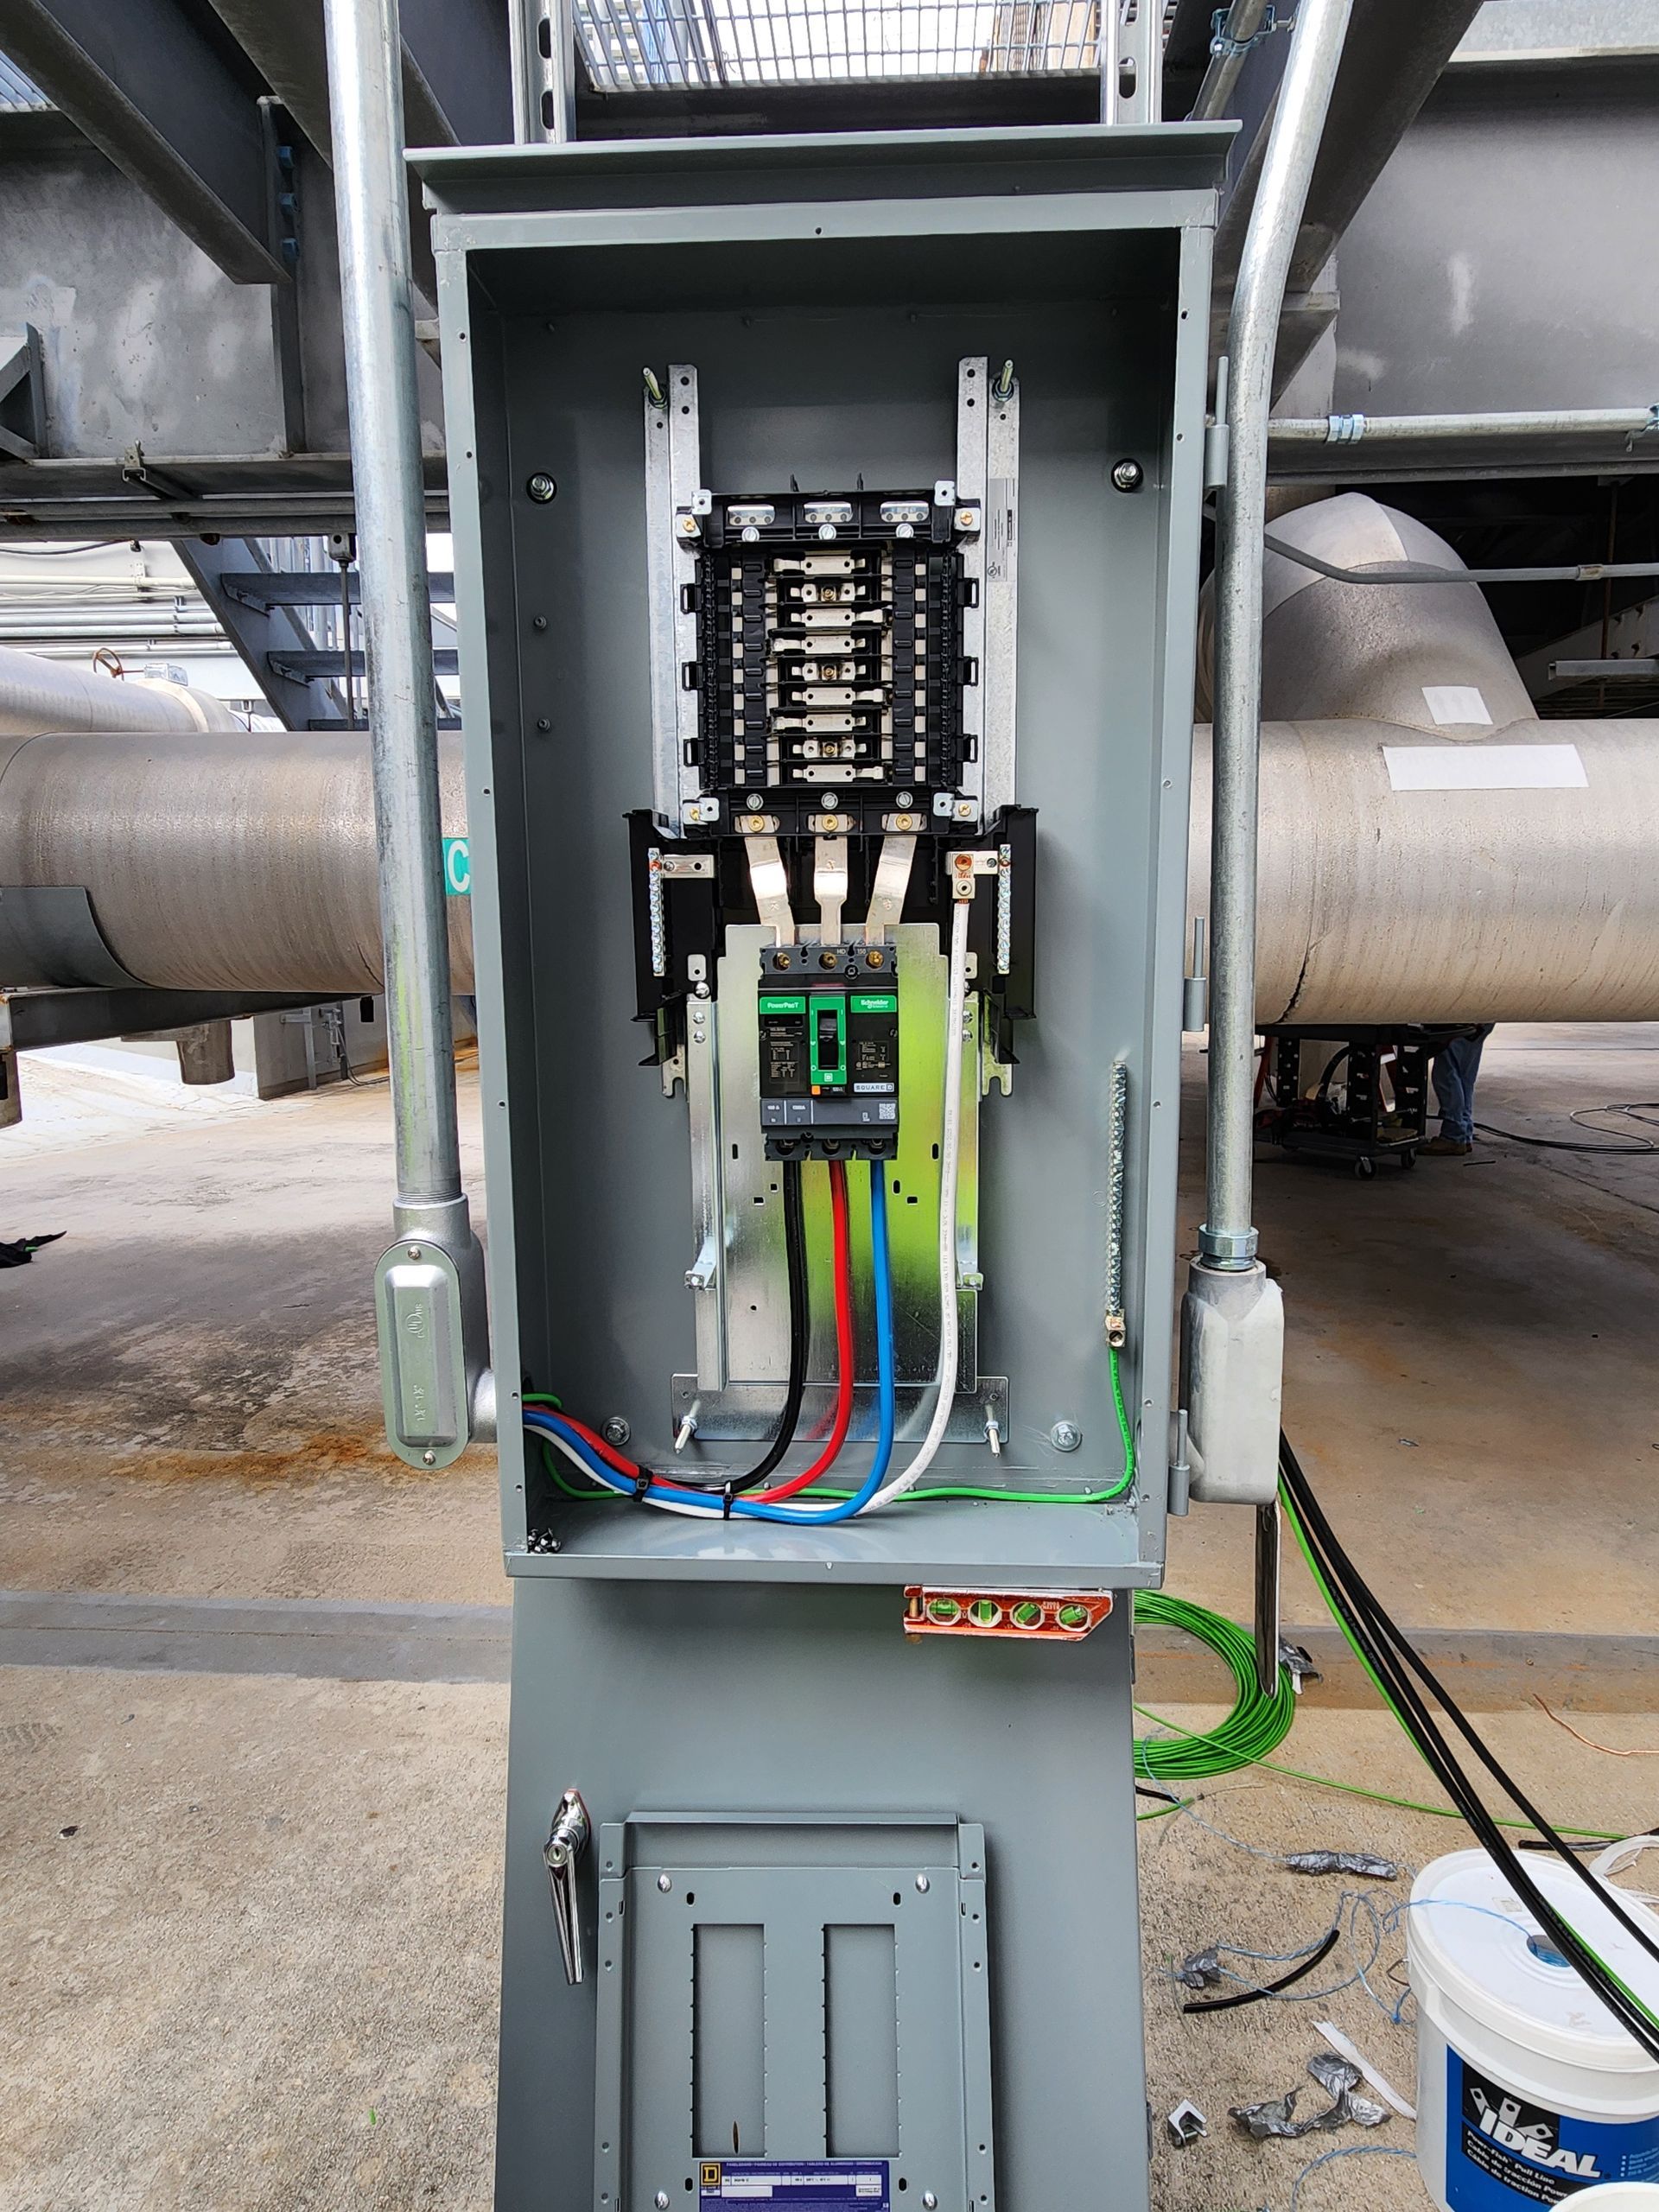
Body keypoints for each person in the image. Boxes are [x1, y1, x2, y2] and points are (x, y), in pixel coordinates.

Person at [1424, 1024, 1494, 1156]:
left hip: (1462, 1019)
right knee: (1464, 1076)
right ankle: (1464, 1133)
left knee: (1447, 1074)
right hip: (1483, 1020)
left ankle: (1453, 1135)